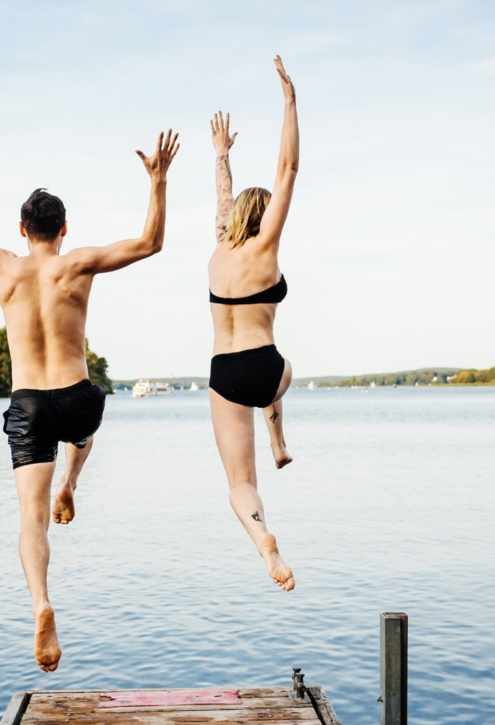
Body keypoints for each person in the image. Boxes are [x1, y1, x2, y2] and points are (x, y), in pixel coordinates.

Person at [0, 131, 179, 671]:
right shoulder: (76, 263)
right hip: (76, 397)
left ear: (21, 230)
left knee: (31, 520)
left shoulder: (2, 266)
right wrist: (158, 180)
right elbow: (150, 243)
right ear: (62, 230)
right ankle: (72, 479)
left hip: (27, 401)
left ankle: (40, 602)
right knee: (87, 420)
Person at [208, 56, 298, 592]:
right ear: (264, 219)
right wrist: (289, 102)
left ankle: (265, 542)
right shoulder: (267, 248)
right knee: (284, 371)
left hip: (225, 374)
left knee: (239, 483)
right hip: (268, 367)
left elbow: (224, 195)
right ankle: (279, 438)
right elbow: (287, 170)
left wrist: (220, 154)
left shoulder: (220, 247)